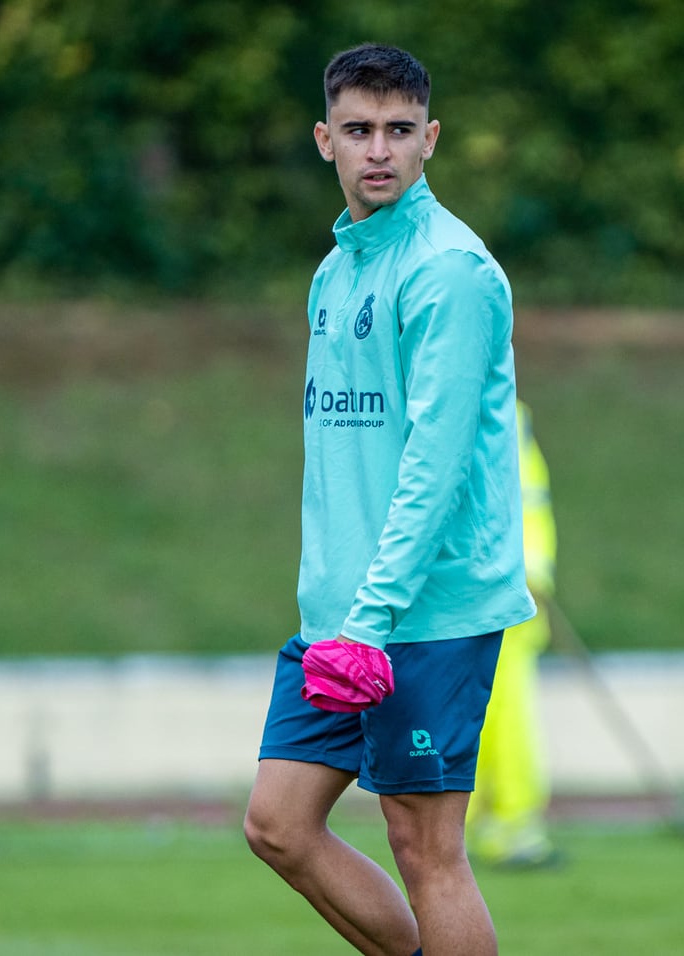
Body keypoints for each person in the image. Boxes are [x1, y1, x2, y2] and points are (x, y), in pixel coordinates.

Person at [243, 43, 535, 956]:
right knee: (279, 824)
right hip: (340, 614)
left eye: (399, 131)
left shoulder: (449, 272)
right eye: (360, 131)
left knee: (426, 848)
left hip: (423, 613)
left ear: (430, 140)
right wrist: (339, 610)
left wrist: (373, 618)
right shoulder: (336, 272)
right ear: (324, 138)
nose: (380, 150)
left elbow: (434, 472)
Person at [466, 400, 560, 869]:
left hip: (498, 592)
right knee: (498, 719)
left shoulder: (496, 411)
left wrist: (534, 572)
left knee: (495, 718)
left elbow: (524, 500)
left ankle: (499, 826)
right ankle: (504, 827)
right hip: (493, 591)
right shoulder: (502, 410)